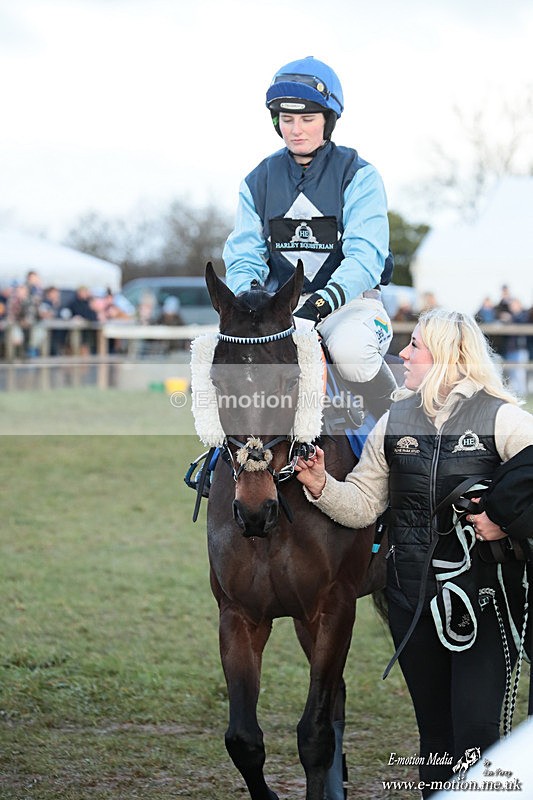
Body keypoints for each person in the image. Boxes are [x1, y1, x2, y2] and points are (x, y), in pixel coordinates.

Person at [295, 307, 533, 797]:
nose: (402, 354)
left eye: (415, 346)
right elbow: (363, 503)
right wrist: (321, 484)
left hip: (485, 601)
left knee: (478, 736)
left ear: (446, 356)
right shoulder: (394, 420)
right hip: (410, 601)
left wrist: (505, 526)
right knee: (436, 739)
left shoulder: (504, 417)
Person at [223, 56, 396, 412]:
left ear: (328, 121)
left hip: (350, 305)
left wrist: (319, 304)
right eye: (287, 119)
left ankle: (400, 429)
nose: (296, 129)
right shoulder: (257, 180)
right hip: (281, 307)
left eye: (307, 119)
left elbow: (365, 258)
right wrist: (250, 299)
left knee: (351, 354)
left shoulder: (359, 175)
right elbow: (243, 253)